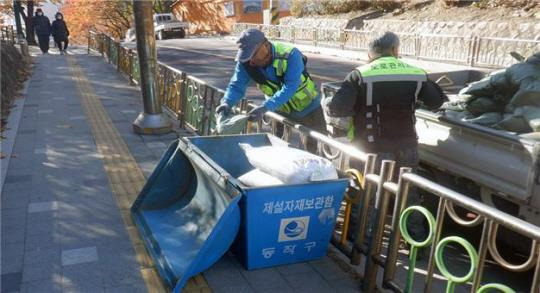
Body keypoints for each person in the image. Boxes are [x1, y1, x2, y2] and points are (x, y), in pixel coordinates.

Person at [323, 31, 445, 241]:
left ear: (370, 53)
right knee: (408, 193)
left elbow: (337, 109)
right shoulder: (415, 73)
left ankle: (363, 240)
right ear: (396, 50)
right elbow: (437, 101)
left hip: (371, 148)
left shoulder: (360, 74)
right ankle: (416, 239)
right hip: (407, 145)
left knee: (368, 191)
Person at [215, 28, 325, 150]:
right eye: (248, 56)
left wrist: (266, 107)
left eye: (254, 55)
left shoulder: (290, 55)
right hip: (279, 110)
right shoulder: (246, 63)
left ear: (266, 45)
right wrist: (226, 103)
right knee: (279, 147)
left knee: (317, 150)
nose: (251, 62)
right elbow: (236, 86)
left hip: (308, 108)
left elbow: (290, 87)